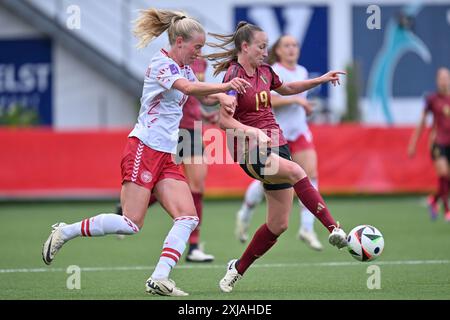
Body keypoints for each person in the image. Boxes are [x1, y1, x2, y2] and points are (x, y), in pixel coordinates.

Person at [41, 9, 250, 297]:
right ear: (179, 42)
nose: (198, 54)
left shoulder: (184, 67)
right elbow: (188, 87)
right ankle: (65, 231)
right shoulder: (161, 64)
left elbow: (198, 91)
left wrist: (221, 98)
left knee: (188, 217)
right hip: (144, 148)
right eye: (196, 47)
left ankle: (159, 278)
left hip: (166, 154)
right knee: (130, 223)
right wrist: (226, 85)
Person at [205, 21, 348, 293]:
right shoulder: (234, 76)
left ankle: (236, 268)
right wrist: (251, 133)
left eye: (266, 46)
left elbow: (287, 89)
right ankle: (334, 229)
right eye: (261, 46)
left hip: (276, 143)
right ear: (244, 47)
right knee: (297, 172)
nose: (265, 50)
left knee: (278, 224)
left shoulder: (265, 71)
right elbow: (224, 122)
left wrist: (320, 79)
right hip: (250, 150)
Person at [115, 57, 217, 263]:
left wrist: (205, 115)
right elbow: (185, 91)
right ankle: (130, 207)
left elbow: (194, 98)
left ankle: (194, 246)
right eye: (195, 44)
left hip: (193, 129)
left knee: (197, 186)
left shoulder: (199, 64)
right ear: (181, 40)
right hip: (174, 131)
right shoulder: (169, 64)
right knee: (165, 182)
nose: (197, 49)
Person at [235, 35, 323, 251]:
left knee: (310, 175)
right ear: (279, 50)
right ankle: (245, 213)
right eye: (287, 45)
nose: (292, 49)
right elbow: (271, 98)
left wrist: (304, 103)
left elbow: (295, 92)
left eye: (295, 45)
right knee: (268, 181)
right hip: (274, 135)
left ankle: (307, 227)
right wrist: (296, 100)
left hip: (299, 132)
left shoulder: (301, 71)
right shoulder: (270, 70)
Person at [408, 67, 450, 222]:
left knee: (447, 180)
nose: (444, 81)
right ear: (437, 81)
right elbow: (422, 122)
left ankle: (433, 200)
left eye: (446, 77)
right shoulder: (432, 99)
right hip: (438, 142)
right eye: (441, 78)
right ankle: (446, 210)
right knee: (444, 174)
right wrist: (413, 143)